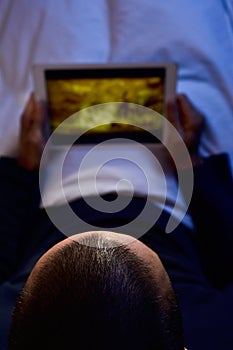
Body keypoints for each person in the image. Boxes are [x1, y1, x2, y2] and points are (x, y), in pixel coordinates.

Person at [0, 93, 233, 349]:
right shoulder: (220, 329)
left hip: (44, 198)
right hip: (165, 195)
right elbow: (225, 258)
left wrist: (22, 172)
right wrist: (192, 163)